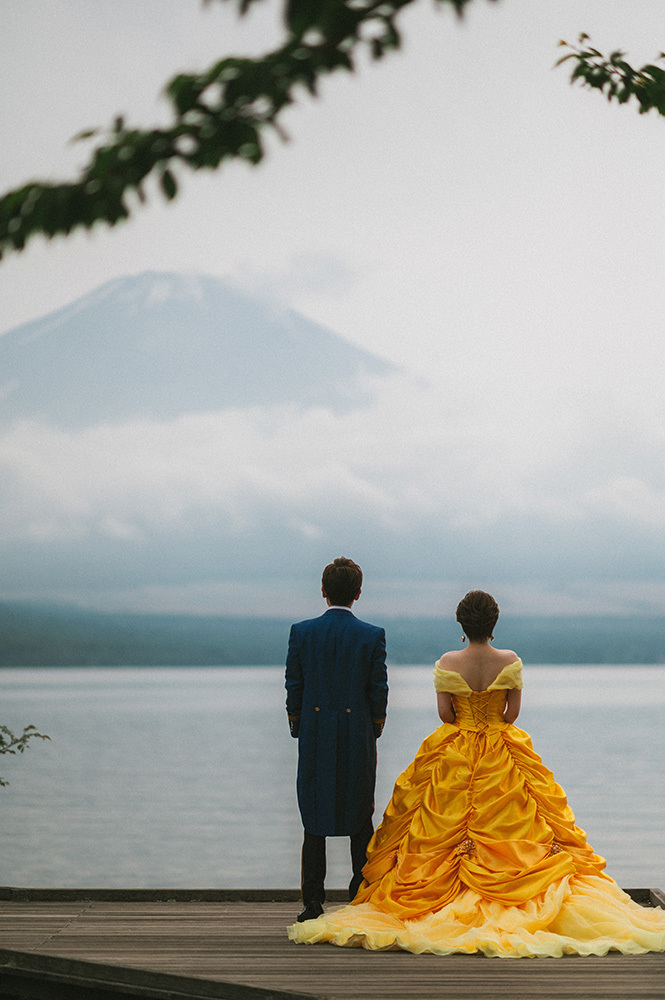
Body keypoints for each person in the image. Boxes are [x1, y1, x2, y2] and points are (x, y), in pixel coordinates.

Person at [288, 590, 665, 956]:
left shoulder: (449, 662)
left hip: (458, 746)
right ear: (494, 622)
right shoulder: (510, 660)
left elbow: (445, 715)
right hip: (501, 746)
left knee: (429, 820)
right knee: (527, 820)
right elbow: (511, 715)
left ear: (461, 624)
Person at [285, 557, 389, 923]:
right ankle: (359, 896)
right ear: (358, 593)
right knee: (360, 815)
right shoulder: (372, 635)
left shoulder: (301, 632)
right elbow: (378, 690)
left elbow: (294, 685)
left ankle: (312, 903)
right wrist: (374, 726)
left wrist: (297, 724)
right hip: (356, 732)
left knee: (312, 818)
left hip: (314, 735)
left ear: (323, 591)